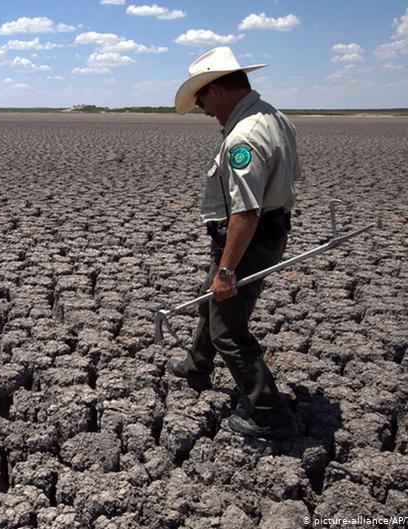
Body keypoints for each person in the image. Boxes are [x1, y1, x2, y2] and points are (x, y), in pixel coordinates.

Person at [169, 47, 300, 438]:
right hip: (262, 234)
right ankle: (197, 366)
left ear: (220, 88)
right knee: (212, 300)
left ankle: (268, 414)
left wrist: (227, 269)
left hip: (248, 240)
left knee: (229, 327)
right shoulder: (273, 116)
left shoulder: (244, 136)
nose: (204, 109)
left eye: (203, 98)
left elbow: (246, 211)